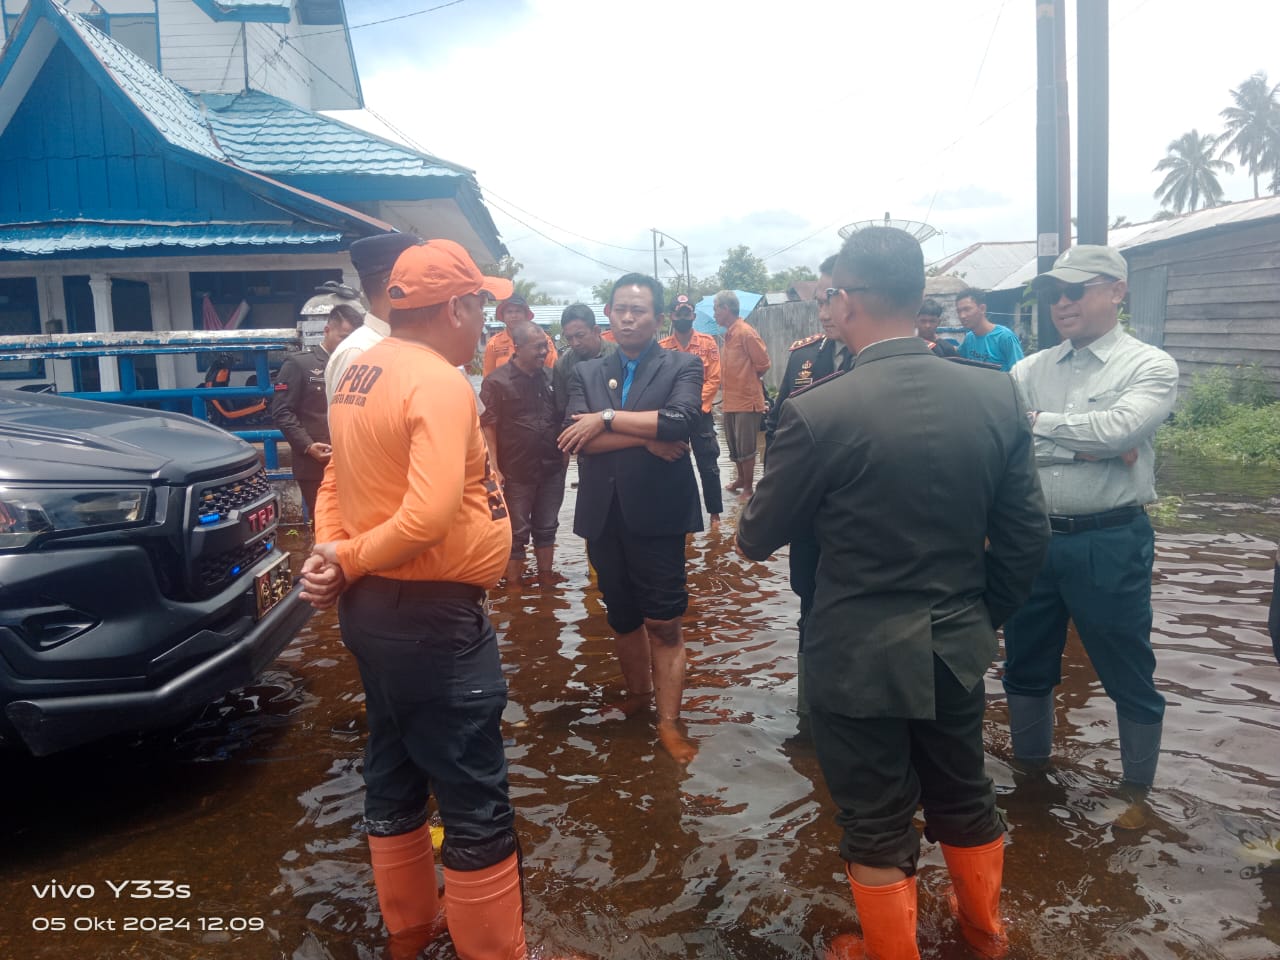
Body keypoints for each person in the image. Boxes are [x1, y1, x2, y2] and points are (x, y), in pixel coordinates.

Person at [737, 227, 1049, 960]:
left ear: (845, 301)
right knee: (964, 791)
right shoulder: (994, 393)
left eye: (827, 296)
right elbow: (1027, 539)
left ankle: (889, 952)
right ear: (919, 299)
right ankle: (985, 933)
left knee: (875, 817)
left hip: (854, 655)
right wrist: (977, 619)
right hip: (955, 644)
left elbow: (756, 535)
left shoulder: (820, 410)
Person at [298, 238, 530, 958]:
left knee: (395, 766)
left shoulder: (358, 370)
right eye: (483, 307)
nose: (487, 325)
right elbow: (428, 518)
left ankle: (409, 931)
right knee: (473, 793)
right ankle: (498, 952)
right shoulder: (436, 380)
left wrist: (334, 556)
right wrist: (346, 556)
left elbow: (335, 480)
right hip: (429, 615)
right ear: (456, 306)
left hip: (375, 610)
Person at [1003, 244, 1179, 797]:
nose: (1062, 302)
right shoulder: (1028, 368)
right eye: (1055, 293)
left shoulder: (1149, 364)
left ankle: (1136, 797)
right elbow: (1006, 447)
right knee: (1024, 664)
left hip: (1110, 539)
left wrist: (1041, 426)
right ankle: (1030, 780)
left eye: (1076, 290)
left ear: (1116, 292)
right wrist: (1084, 446)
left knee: (1128, 669)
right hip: (1031, 538)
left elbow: (1119, 432)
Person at [558, 273, 704, 764]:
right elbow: (575, 440)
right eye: (619, 308)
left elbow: (682, 421)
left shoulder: (684, 363)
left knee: (664, 622)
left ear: (658, 317)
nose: (626, 317)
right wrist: (646, 435)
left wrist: (603, 419)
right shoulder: (586, 371)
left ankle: (669, 721)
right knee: (620, 616)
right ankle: (638, 698)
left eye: (638, 310)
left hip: (659, 514)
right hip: (603, 513)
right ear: (609, 312)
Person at [758, 255, 844, 721]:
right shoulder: (805, 357)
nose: (825, 310)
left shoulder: (915, 359)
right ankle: (811, 717)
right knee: (810, 607)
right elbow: (779, 432)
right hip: (814, 518)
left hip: (872, 519)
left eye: (833, 297)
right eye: (821, 298)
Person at [480, 319, 569, 587]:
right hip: (515, 470)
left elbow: (563, 418)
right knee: (516, 532)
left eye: (546, 346)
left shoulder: (553, 378)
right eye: (538, 347)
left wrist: (565, 459)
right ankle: (515, 587)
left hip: (551, 467)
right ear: (517, 348)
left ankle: (545, 578)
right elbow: (488, 425)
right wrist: (494, 465)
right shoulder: (496, 382)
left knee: (547, 526)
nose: (544, 352)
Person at [271, 285, 364, 520]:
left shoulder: (358, 365)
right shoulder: (300, 364)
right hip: (315, 463)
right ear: (327, 330)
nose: (347, 344)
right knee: (323, 523)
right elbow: (282, 411)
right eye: (343, 337)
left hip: (353, 461)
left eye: (353, 339)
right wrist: (307, 446)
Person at [764, 255, 849, 453]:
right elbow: (777, 424)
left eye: (831, 302)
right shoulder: (803, 356)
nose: (824, 315)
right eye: (820, 304)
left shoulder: (881, 359)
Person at [325, 233, 423, 402]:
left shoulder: (417, 342)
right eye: (418, 278)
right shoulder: (359, 352)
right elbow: (351, 426)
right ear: (395, 285)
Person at [659, 293, 724, 525]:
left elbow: (714, 379)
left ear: (693, 316)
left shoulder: (708, 343)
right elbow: (660, 384)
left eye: (687, 313)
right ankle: (681, 516)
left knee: (708, 465)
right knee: (675, 464)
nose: (683, 317)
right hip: (673, 416)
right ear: (671, 316)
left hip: (701, 414)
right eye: (679, 313)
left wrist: (694, 405)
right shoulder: (662, 348)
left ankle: (715, 515)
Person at [716, 289, 771, 496]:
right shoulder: (729, 334)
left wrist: (748, 379)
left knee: (747, 447)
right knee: (734, 444)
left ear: (726, 308)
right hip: (730, 401)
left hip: (747, 401)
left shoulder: (746, 332)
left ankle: (748, 487)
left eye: (716, 309)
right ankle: (740, 479)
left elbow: (764, 363)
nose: (714, 314)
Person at [552, 303, 616, 425]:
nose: (575, 343)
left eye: (580, 335)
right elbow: (561, 408)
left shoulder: (618, 355)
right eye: (569, 338)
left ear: (596, 330)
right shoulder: (562, 365)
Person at [482, 293, 558, 376]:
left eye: (518, 311)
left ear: (526, 315)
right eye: (509, 312)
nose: (514, 315)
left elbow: (553, 371)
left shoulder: (543, 340)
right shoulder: (493, 344)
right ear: (503, 316)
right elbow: (488, 378)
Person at [955, 287, 1023, 371]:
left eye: (967, 309)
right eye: (959, 311)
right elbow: (956, 357)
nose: (962, 316)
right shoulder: (969, 338)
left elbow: (1020, 373)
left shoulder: (1004, 337)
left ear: (982, 309)